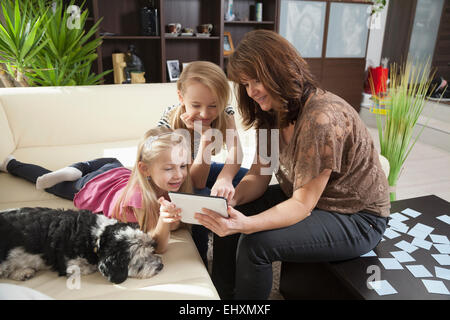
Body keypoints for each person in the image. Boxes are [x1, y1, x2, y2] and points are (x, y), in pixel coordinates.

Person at [194, 30, 390, 299]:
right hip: (310, 200)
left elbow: (301, 205)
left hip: (356, 217)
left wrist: (247, 225)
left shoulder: (321, 118)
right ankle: (222, 295)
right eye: (246, 84)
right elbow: (258, 176)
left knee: (255, 243)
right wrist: (230, 201)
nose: (251, 92)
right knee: (232, 214)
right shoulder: (270, 114)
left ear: (279, 70)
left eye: (256, 81)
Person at [0, 127, 192, 254]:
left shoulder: (173, 182)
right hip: (93, 185)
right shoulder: (139, 197)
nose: (179, 175)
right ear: (144, 169)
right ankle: (11, 164)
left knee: (112, 162)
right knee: (53, 184)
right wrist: (166, 220)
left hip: (118, 172)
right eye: (169, 168)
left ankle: (79, 167)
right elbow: (157, 246)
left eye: (183, 166)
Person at [157, 60, 248, 265]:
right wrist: (206, 137)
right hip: (177, 178)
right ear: (181, 97)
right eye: (196, 106)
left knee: (246, 180)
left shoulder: (226, 112)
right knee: (201, 198)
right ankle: (201, 259)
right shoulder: (170, 122)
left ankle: (241, 240)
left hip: (199, 169)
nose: (206, 114)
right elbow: (195, 181)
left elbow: (236, 151)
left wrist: (225, 178)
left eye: (213, 105)